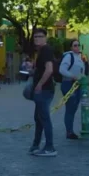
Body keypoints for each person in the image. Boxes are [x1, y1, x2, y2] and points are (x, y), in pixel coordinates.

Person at [28, 28, 57, 157]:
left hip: (44, 90)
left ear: (45, 37)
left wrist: (39, 85)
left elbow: (49, 70)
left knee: (44, 118)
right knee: (38, 118)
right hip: (41, 90)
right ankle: (35, 145)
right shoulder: (40, 52)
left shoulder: (46, 50)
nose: (37, 39)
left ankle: (50, 147)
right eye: (35, 37)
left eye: (40, 36)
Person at [59, 39, 85, 139]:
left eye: (78, 45)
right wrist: (72, 76)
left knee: (73, 108)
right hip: (68, 84)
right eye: (75, 45)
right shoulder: (68, 56)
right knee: (70, 108)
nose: (77, 47)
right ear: (71, 47)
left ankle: (70, 130)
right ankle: (69, 131)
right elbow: (62, 70)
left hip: (77, 85)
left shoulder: (78, 57)